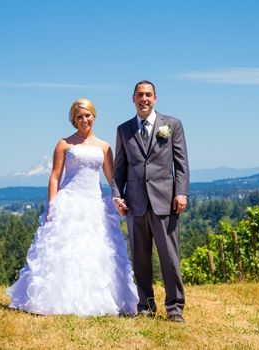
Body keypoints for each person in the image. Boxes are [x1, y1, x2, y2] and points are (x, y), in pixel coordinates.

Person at [6, 98, 138, 316]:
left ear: (94, 116)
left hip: (96, 204)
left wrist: (119, 198)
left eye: (87, 115)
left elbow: (111, 178)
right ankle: (59, 301)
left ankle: (98, 301)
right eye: (79, 116)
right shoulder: (64, 144)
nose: (84, 119)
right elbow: (55, 176)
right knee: (65, 252)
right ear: (73, 120)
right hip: (70, 202)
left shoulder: (104, 147)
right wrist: (52, 205)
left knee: (97, 252)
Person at [112, 81, 190, 323]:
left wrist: (182, 193)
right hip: (135, 203)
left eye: (148, 95)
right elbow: (119, 168)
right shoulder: (124, 129)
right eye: (139, 95)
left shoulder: (172, 124)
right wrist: (117, 195)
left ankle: (175, 308)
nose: (144, 99)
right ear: (133, 99)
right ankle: (145, 305)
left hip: (165, 202)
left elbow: (181, 163)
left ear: (155, 98)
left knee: (169, 259)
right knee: (141, 259)